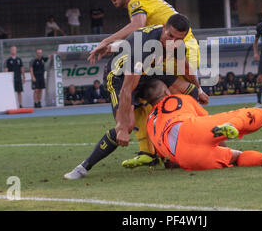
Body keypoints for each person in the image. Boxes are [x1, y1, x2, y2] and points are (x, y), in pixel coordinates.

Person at [63, 15, 208, 179]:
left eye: (177, 39)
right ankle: (83, 168)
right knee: (126, 126)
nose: (172, 42)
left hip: (146, 73)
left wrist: (200, 89)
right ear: (163, 27)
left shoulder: (176, 43)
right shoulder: (142, 46)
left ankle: (188, 148)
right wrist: (124, 129)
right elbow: (127, 89)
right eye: (170, 36)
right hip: (118, 78)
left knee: (190, 92)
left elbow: (185, 68)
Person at [87, 0, 201, 168]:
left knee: (171, 100)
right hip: (167, 54)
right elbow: (140, 40)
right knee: (140, 97)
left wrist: (105, 42)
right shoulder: (144, 3)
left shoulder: (137, 1)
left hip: (180, 52)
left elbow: (137, 27)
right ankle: (150, 151)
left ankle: (185, 147)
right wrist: (114, 46)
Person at [143, 79, 262, 171]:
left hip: (185, 157)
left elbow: (168, 162)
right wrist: (220, 141)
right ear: (165, 92)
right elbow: (207, 122)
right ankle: (232, 125)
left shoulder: (149, 123)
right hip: (191, 129)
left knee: (236, 157)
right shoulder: (177, 99)